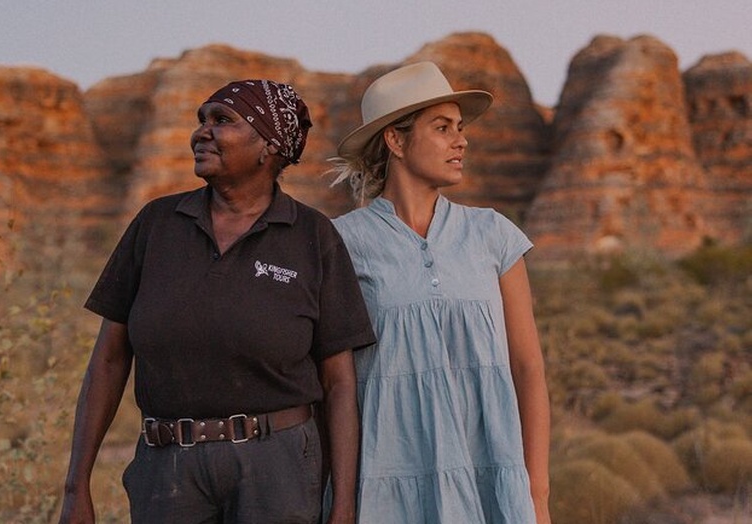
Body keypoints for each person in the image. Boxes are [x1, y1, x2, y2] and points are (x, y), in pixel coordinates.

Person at [59, 79, 376, 524]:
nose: (201, 132)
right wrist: (77, 486)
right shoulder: (155, 225)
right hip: (168, 471)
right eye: (201, 120)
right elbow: (109, 361)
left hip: (277, 471)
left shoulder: (312, 235)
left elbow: (340, 382)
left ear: (268, 145)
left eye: (222, 120)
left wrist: (342, 505)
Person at [328, 62, 552, 523]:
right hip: (387, 485)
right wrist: (343, 502)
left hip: (489, 477)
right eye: (442, 128)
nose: (461, 140)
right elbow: (333, 386)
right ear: (396, 140)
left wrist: (538, 495)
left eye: (461, 128)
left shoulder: (493, 234)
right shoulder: (341, 243)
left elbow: (528, 369)